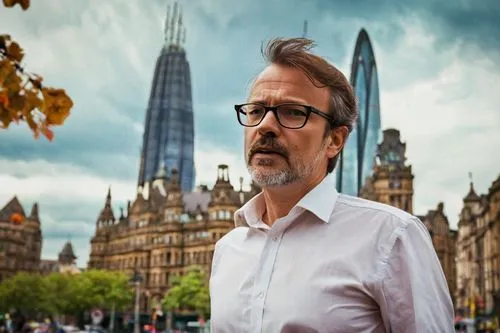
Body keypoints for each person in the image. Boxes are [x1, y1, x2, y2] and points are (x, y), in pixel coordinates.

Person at [209, 37, 454, 332]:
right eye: (256, 111)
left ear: (335, 140)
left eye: (293, 112)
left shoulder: (391, 236)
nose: (265, 126)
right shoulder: (228, 249)